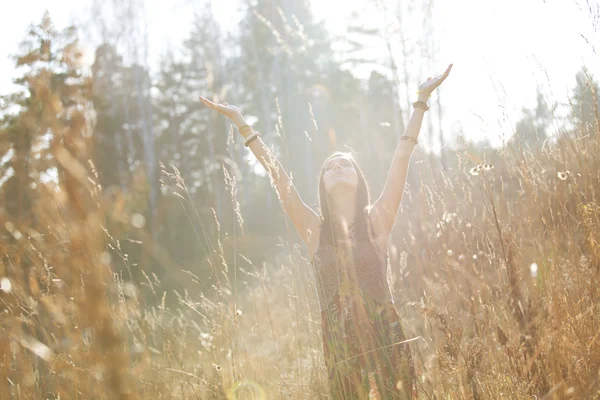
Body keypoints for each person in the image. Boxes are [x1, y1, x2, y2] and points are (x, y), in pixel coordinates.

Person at [200, 63, 453, 399]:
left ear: (359, 180)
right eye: (329, 166)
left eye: (345, 163)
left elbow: (401, 157)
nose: (337, 166)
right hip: (339, 348)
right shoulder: (313, 230)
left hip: (387, 338)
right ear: (321, 184)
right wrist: (240, 121)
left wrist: (420, 101)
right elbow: (278, 175)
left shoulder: (377, 222)